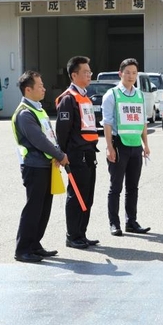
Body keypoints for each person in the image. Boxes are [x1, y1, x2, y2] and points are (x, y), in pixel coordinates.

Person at [12, 70, 69, 263]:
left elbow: (50, 136)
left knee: (44, 208)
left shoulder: (39, 109)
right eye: (40, 86)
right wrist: (59, 155)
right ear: (28, 90)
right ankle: (23, 249)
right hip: (34, 166)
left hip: (47, 165)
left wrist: (57, 153)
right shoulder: (25, 113)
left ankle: (35, 244)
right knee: (34, 208)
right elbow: (39, 140)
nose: (44, 89)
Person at [101, 58, 151, 236]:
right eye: (127, 72)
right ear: (120, 73)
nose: (131, 76)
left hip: (136, 145)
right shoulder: (112, 94)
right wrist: (109, 147)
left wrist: (146, 144)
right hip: (118, 144)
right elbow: (107, 123)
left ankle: (132, 221)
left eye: (134, 73)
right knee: (116, 187)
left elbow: (143, 121)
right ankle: (114, 223)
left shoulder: (139, 95)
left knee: (133, 187)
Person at [55, 56, 99, 249]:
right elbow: (62, 131)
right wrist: (63, 156)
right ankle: (72, 235)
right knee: (77, 196)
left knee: (88, 195)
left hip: (89, 153)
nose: (89, 75)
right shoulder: (68, 98)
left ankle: (82, 233)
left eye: (90, 71)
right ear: (74, 75)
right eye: (85, 72)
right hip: (76, 154)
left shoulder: (85, 96)